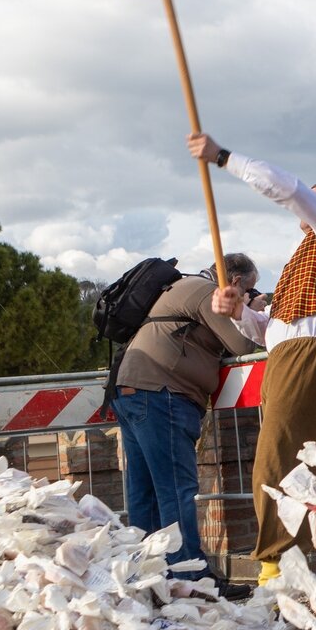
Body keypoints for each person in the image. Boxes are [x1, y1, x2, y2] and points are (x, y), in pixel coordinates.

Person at [187, 131, 316, 593]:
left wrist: (225, 159)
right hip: (290, 356)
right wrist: (238, 311)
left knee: (275, 459)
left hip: (308, 358)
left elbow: (291, 190)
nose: (311, 206)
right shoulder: (303, 264)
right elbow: (269, 330)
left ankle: (273, 571)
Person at [113, 252, 263, 590]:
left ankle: (149, 577)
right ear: (235, 282)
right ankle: (190, 576)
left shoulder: (181, 287)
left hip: (135, 390)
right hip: (164, 395)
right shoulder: (204, 291)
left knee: (145, 494)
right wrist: (251, 311)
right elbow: (241, 341)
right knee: (176, 490)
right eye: (249, 288)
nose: (248, 294)